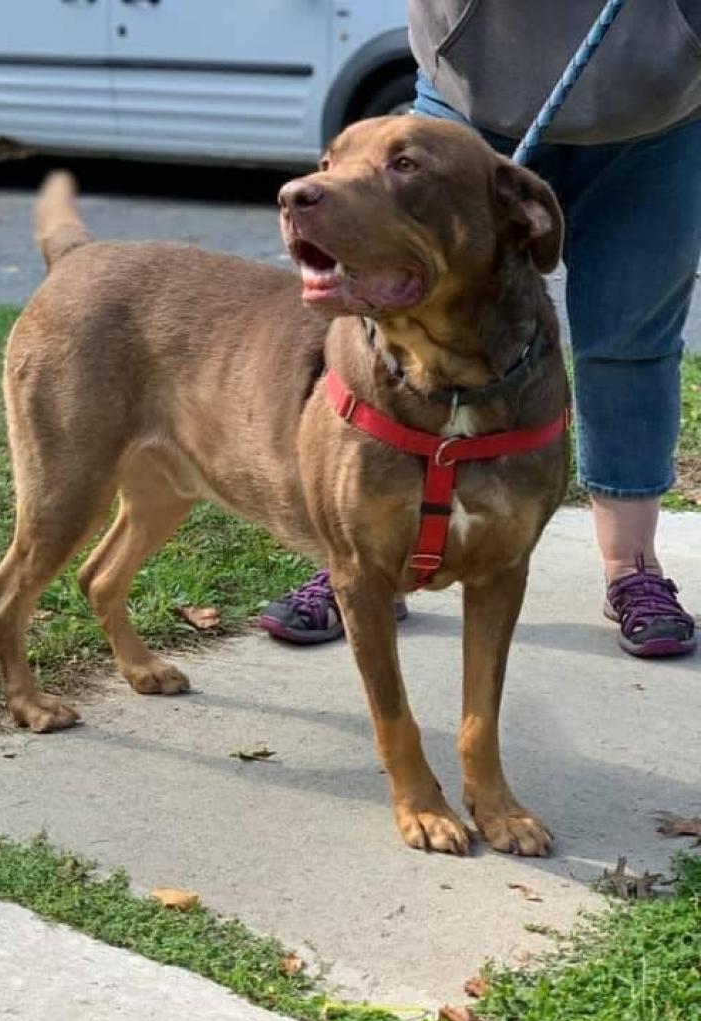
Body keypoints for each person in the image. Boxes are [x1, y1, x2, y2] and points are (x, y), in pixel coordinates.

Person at [260, 1, 699, 657]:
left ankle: (631, 567)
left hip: (653, 106)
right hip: (472, 94)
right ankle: (366, 560)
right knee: (387, 312)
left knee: (630, 340)